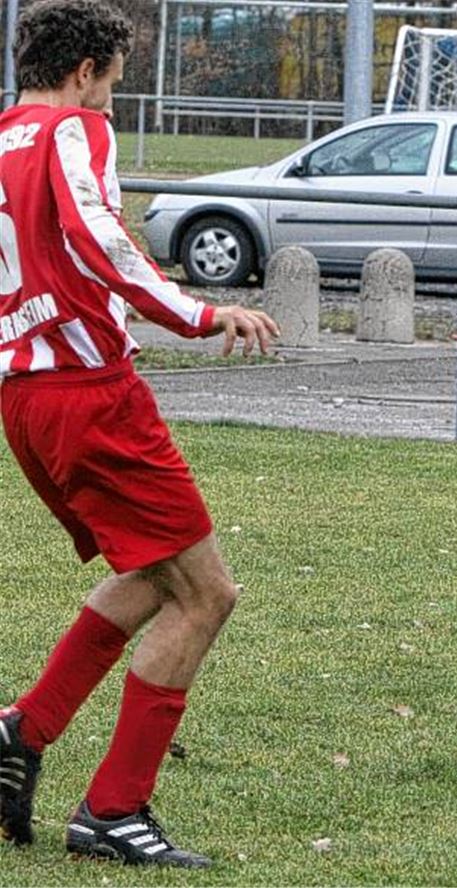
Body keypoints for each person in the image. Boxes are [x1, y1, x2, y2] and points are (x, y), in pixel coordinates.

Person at [0, 0, 279, 867]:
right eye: (112, 86)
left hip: (26, 395)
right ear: (83, 71)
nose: (111, 106)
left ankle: (21, 730)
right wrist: (200, 313)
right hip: (90, 393)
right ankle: (114, 810)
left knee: (151, 573)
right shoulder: (68, 132)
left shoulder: (1, 135)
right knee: (207, 594)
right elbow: (97, 236)